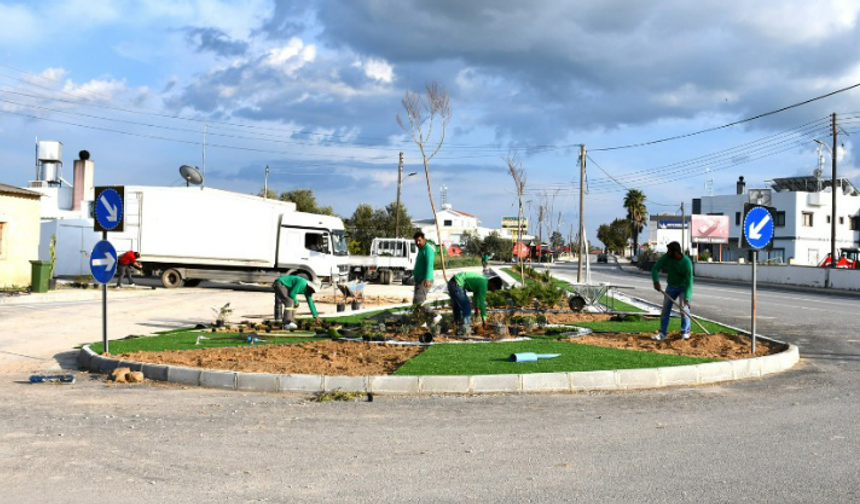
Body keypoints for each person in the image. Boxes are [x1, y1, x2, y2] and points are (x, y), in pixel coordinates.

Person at [651, 241, 694, 341]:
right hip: (671, 287)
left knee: (684, 310)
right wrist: (656, 281)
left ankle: (685, 333)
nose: (667, 253)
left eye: (669, 251)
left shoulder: (686, 263)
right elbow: (655, 268)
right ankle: (663, 333)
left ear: (675, 253)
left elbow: (689, 282)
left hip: (683, 287)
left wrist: (687, 298)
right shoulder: (667, 257)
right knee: (665, 310)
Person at [412, 231, 441, 325]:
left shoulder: (428, 249)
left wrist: (428, 278)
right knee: (416, 302)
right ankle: (421, 322)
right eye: (416, 241)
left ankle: (435, 314)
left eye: (419, 240)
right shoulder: (421, 249)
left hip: (424, 280)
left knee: (419, 301)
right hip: (419, 280)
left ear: (424, 239)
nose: (417, 243)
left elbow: (430, 265)